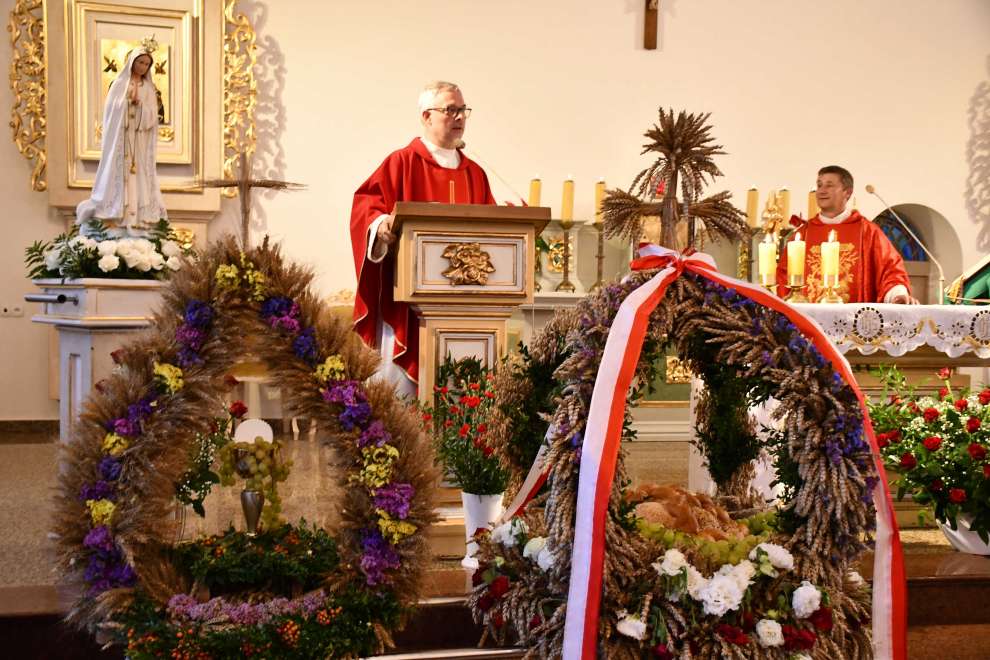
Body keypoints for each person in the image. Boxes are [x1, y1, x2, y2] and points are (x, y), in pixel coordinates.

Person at [350, 81, 496, 396]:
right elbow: (366, 207)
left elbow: (493, 234)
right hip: (409, 302)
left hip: (464, 308)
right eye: (450, 110)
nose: (459, 117)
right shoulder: (401, 162)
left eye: (462, 110)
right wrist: (380, 226)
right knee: (401, 403)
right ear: (427, 116)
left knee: (460, 397)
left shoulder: (476, 174)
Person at [775, 165, 915, 303]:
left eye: (829, 185)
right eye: (819, 185)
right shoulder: (802, 235)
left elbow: (890, 269)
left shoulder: (867, 232)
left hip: (855, 320)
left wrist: (897, 295)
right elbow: (783, 278)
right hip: (808, 320)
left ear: (847, 192)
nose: (821, 191)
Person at [76, 40, 168, 236]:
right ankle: (117, 214)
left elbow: (153, 116)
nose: (143, 67)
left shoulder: (149, 89)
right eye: (140, 62)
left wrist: (140, 107)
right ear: (132, 62)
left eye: (146, 64)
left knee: (140, 177)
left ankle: (138, 219)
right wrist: (127, 104)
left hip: (139, 142)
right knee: (120, 175)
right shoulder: (119, 84)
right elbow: (111, 112)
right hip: (122, 141)